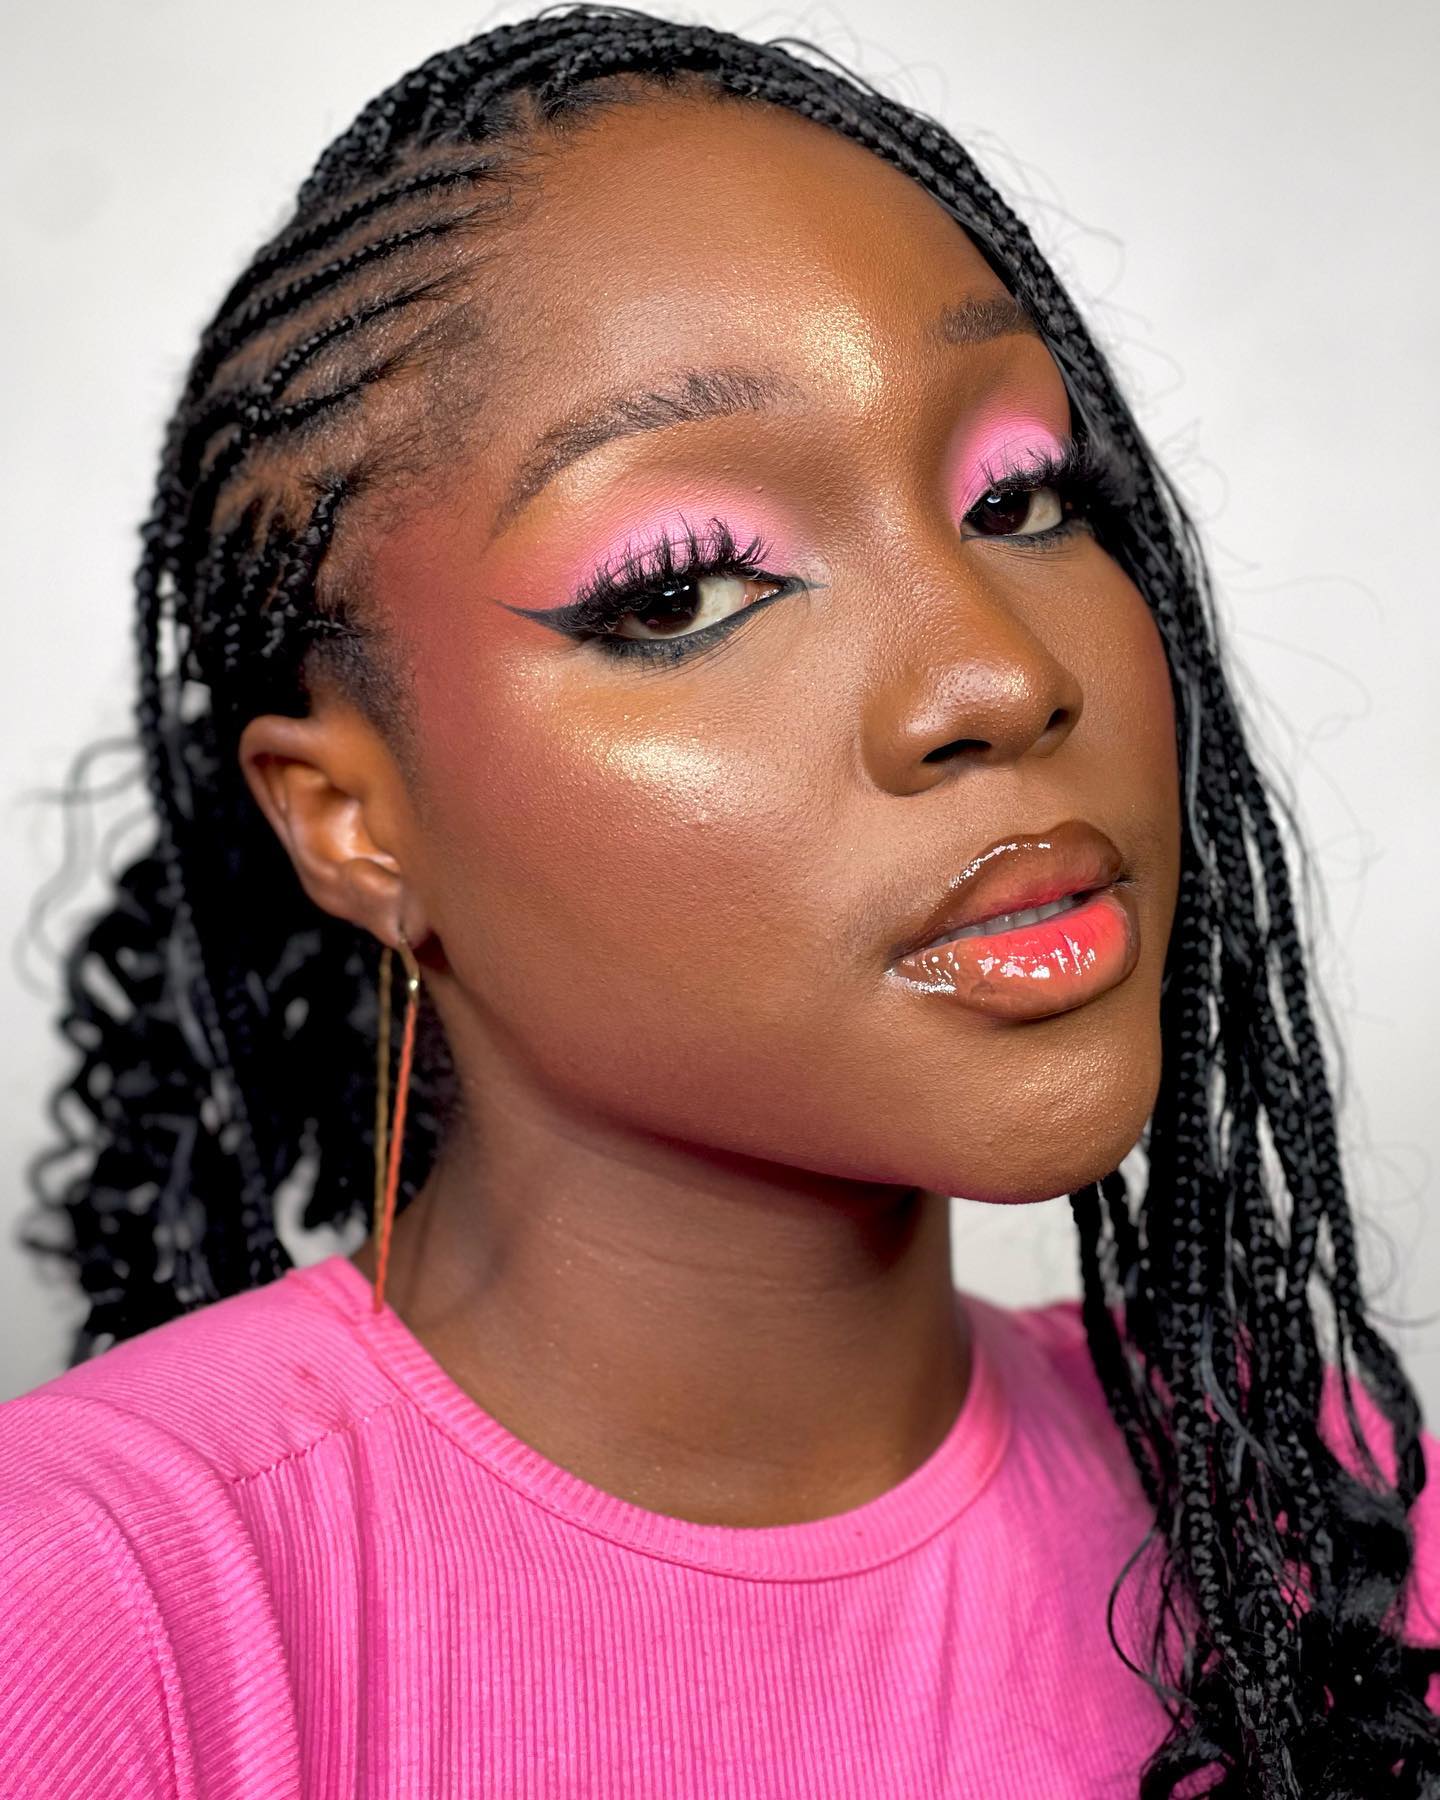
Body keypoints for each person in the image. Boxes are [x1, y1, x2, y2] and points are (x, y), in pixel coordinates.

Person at [3, 6, 1438, 1795]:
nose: (998, 677)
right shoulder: (83, 1608)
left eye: (1020, 496)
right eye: (682, 591)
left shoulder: (1317, 1504)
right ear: (353, 824)